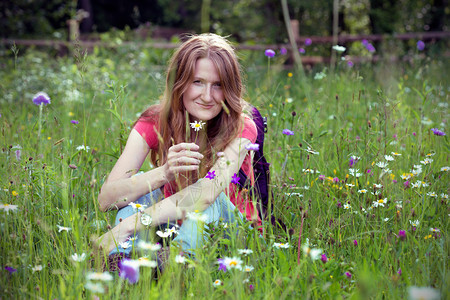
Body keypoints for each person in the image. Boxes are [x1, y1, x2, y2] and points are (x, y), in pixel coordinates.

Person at [96, 33, 261, 264]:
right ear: (179, 83)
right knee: (133, 201)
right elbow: (106, 199)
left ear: (229, 89)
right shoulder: (154, 122)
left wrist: (128, 226)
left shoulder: (241, 127)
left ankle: (177, 265)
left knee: (210, 197)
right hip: (174, 224)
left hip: (229, 234)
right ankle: (122, 265)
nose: (207, 96)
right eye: (197, 82)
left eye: (218, 85)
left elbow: (205, 194)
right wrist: (164, 172)